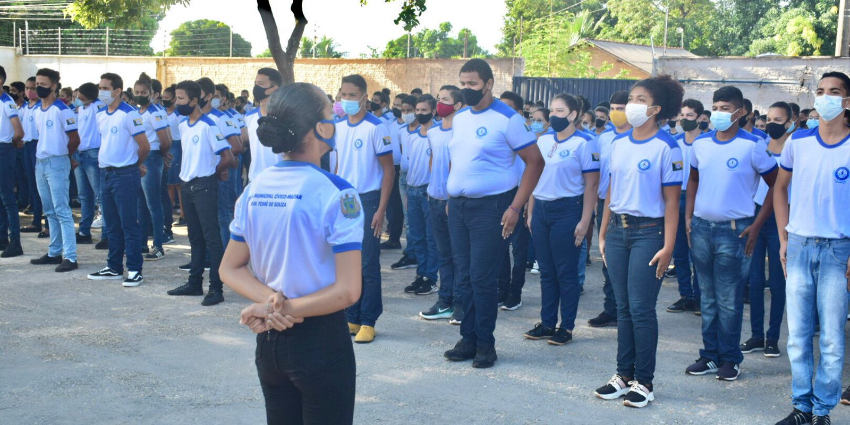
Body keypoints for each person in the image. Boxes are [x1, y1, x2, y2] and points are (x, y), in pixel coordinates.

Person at [220, 82, 361, 425]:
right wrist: (285, 309)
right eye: (331, 114)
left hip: (270, 342)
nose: (336, 121)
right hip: (320, 341)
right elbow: (347, 290)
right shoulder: (338, 193)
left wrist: (271, 305)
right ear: (321, 128)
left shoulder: (254, 189)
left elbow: (230, 268)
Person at [442, 59, 543, 369]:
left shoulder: (508, 119)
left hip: (493, 208)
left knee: (483, 279)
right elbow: (457, 159)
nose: (466, 89)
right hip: (459, 207)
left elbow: (535, 162)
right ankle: (467, 338)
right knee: (465, 276)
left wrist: (516, 207)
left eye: (472, 83)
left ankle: (486, 343)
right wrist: (452, 192)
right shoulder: (460, 118)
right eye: (463, 83)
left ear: (488, 84)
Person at [593, 75, 683, 408]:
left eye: (640, 99)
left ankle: (644, 381)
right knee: (623, 308)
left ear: (657, 108)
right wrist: (603, 232)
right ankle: (622, 375)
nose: (632, 105)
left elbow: (672, 201)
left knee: (641, 309)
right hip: (617, 231)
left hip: (649, 233)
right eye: (632, 97)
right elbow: (612, 190)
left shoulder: (667, 147)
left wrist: (668, 246)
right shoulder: (618, 143)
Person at [684, 86, 778, 382]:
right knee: (707, 298)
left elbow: (776, 185)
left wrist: (756, 224)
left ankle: (730, 359)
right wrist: (688, 217)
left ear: (740, 113)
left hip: (735, 231)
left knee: (728, 298)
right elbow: (694, 179)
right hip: (701, 228)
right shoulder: (701, 143)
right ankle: (709, 355)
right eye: (716, 106)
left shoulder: (753, 144)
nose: (719, 113)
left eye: (725, 107)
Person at [772, 72, 850, 425]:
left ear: (847, 101)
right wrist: (785, 237)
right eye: (820, 92)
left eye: (834, 92)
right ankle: (801, 407)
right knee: (798, 336)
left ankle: (822, 410)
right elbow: (779, 190)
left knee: (832, 337)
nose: (826, 98)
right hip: (800, 247)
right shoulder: (798, 142)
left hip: (839, 251)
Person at [523, 93, 599, 346]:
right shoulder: (543, 140)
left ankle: (566, 326)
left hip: (568, 210)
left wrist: (585, 220)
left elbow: (591, 185)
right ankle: (546, 323)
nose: (554, 116)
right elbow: (535, 178)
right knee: (546, 271)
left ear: (573, 115)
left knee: (565, 272)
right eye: (552, 111)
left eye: (559, 111)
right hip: (542, 209)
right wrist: (531, 210)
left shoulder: (585, 142)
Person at [334, 74, 395, 344]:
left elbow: (388, 170)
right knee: (348, 260)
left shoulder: (377, 127)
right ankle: (352, 316)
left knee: (368, 262)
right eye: (343, 94)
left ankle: (369, 320)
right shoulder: (338, 127)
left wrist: (382, 209)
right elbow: (337, 167)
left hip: (369, 200)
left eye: (351, 95)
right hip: (345, 200)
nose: (346, 100)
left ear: (364, 97)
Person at [165, 80, 235, 305]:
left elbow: (228, 157)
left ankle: (216, 288)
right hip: (187, 185)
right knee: (194, 237)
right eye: (176, 98)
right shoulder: (184, 125)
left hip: (204, 186)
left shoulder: (209, 125)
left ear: (195, 100)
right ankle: (194, 283)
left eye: (181, 99)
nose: (177, 103)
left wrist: (212, 174)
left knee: (212, 238)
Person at [741, 101, 793, 358]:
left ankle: (773, 338)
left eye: (778, 119)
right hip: (756, 214)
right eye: (769, 118)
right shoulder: (758, 146)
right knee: (755, 279)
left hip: (782, 218)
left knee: (777, 281)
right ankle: (756, 336)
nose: (772, 124)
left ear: (790, 123)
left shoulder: (795, 149)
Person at [87, 73, 148, 285]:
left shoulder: (129, 114)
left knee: (128, 223)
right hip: (106, 173)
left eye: (105, 87)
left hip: (125, 174)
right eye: (100, 86)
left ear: (117, 91)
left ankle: (134, 269)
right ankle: (113, 267)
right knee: (111, 224)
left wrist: (133, 164)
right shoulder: (101, 114)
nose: (101, 91)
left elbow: (144, 145)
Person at [29, 68, 80, 272]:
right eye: (37, 84)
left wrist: (64, 157)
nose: (39, 88)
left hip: (57, 162)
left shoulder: (63, 110)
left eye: (43, 84)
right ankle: (54, 252)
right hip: (41, 162)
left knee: (62, 211)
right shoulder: (37, 110)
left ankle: (71, 257)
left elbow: (74, 139)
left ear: (54, 86)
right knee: (49, 210)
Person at [419, 85, 463, 323]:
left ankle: (461, 303)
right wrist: (431, 190)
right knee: (443, 254)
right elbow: (433, 161)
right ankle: (445, 300)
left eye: (445, 99)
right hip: (434, 200)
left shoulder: (461, 132)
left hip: (452, 201)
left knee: (459, 256)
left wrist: (450, 197)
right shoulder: (434, 133)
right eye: (438, 99)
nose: (440, 104)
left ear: (457, 105)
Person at [587, 90, 630, 328]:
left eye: (621, 108)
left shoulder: (638, 137)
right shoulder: (603, 137)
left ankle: (628, 311)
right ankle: (611, 309)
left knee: (627, 265)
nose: (615, 113)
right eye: (613, 107)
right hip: (606, 203)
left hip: (628, 207)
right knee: (607, 261)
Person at [496, 90, 533, 311]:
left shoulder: (527, 135)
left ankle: (515, 292)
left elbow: (535, 168)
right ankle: (502, 288)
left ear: (519, 112)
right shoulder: (499, 132)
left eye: (508, 108)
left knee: (519, 249)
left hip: (522, 195)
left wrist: (527, 200)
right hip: (503, 195)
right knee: (500, 247)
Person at [666, 99, 703, 314]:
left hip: (698, 199)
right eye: (682, 115)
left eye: (689, 116)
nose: (684, 119)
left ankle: (699, 296)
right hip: (675, 198)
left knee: (697, 251)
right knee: (678, 250)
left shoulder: (706, 142)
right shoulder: (675, 142)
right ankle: (685, 295)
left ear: (699, 118)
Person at [402, 94, 439, 295]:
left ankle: (430, 277)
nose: (419, 114)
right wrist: (408, 192)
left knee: (431, 237)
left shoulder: (438, 134)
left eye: (424, 110)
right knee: (417, 236)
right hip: (413, 190)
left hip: (428, 192)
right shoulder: (412, 136)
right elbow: (410, 165)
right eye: (418, 110)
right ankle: (421, 274)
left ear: (433, 111)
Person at [132, 73, 171, 261]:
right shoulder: (137, 112)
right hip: (139, 158)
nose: (140, 95)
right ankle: (141, 243)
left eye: (143, 92)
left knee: (153, 203)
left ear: (151, 93)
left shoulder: (154, 112)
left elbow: (165, 139)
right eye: (137, 92)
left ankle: (158, 245)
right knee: (140, 203)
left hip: (152, 157)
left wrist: (162, 156)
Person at [71, 83, 104, 247]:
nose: (78, 99)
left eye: (81, 98)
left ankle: (107, 234)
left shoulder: (98, 106)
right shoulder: (81, 108)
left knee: (100, 195)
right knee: (84, 195)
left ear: (91, 97)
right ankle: (84, 231)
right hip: (80, 153)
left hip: (93, 153)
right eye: (78, 96)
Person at [390, 95, 420, 271]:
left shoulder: (425, 131)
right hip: (404, 177)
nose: (406, 113)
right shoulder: (402, 131)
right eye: (404, 110)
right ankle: (411, 253)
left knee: (418, 220)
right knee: (408, 218)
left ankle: (418, 254)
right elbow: (404, 154)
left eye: (410, 110)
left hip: (419, 179)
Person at [0, 65, 25, 258]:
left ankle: (15, 241)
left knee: (8, 198)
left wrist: (12, 144)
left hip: (3, 149)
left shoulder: (7, 102)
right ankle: (2, 238)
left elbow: (19, 132)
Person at [19, 77, 45, 238]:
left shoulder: (40, 108)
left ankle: (41, 220)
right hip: (26, 146)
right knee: (32, 184)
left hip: (37, 145)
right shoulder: (25, 108)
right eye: (27, 88)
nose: (30, 91)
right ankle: (36, 220)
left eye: (33, 88)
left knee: (40, 186)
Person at [380, 93, 407, 251]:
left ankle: (397, 238)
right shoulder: (390, 125)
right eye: (395, 105)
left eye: (400, 106)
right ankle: (393, 237)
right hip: (391, 167)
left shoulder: (408, 128)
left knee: (401, 207)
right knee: (392, 205)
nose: (397, 109)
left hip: (403, 170)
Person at [246, 68, 282, 182]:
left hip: (279, 181)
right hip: (255, 182)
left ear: (274, 89)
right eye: (255, 84)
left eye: (261, 84)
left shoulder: (286, 117)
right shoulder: (249, 117)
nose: (256, 88)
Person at [161, 85, 185, 228]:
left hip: (177, 146)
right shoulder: (163, 113)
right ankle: (168, 215)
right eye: (163, 98)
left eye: (167, 98)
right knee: (169, 184)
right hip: (168, 146)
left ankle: (183, 214)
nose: (164, 101)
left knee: (177, 185)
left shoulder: (179, 115)